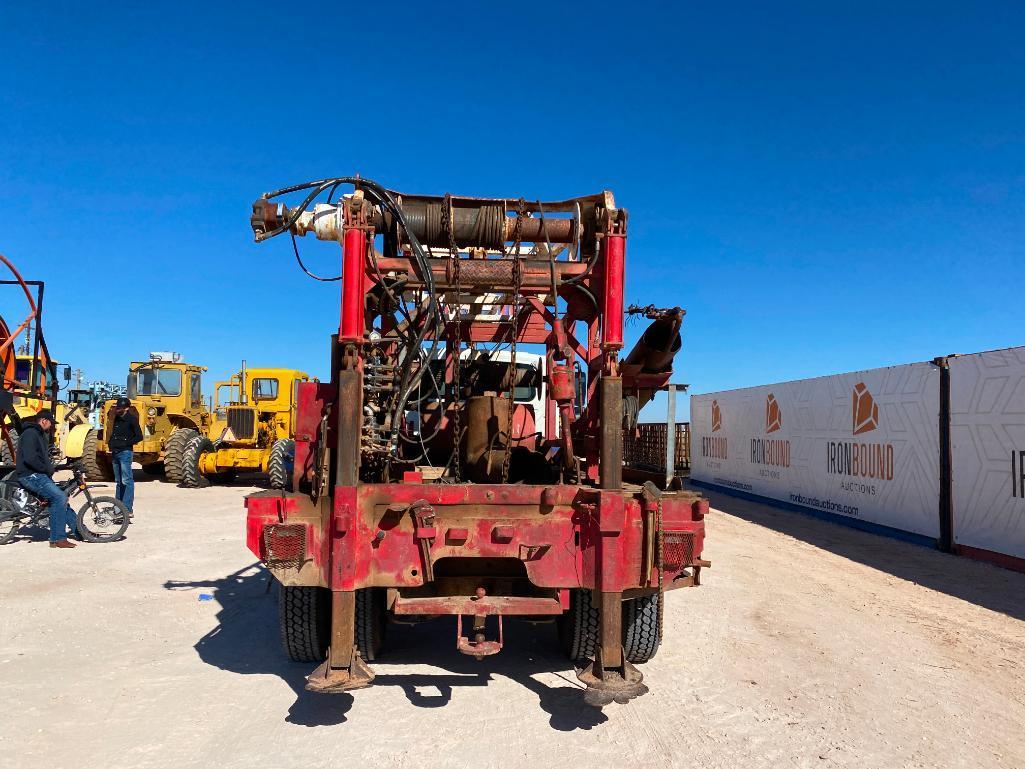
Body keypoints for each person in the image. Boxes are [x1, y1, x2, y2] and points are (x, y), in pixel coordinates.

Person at [16, 409, 78, 548]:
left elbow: (40, 457)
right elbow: (30, 459)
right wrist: (47, 469)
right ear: (44, 421)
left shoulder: (37, 434)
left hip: (37, 474)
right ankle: (57, 539)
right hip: (31, 475)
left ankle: (80, 532)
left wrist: (51, 468)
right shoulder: (30, 434)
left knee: (61, 501)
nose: (51, 426)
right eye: (51, 423)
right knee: (60, 498)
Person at [108, 396, 142, 514]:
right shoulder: (116, 419)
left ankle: (127, 509)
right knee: (118, 481)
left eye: (120, 407)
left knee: (127, 480)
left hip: (125, 453)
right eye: (117, 407)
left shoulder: (132, 420)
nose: (117, 409)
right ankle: (118, 507)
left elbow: (139, 436)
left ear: (126, 408)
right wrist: (111, 445)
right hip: (115, 453)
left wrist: (125, 443)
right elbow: (113, 434)